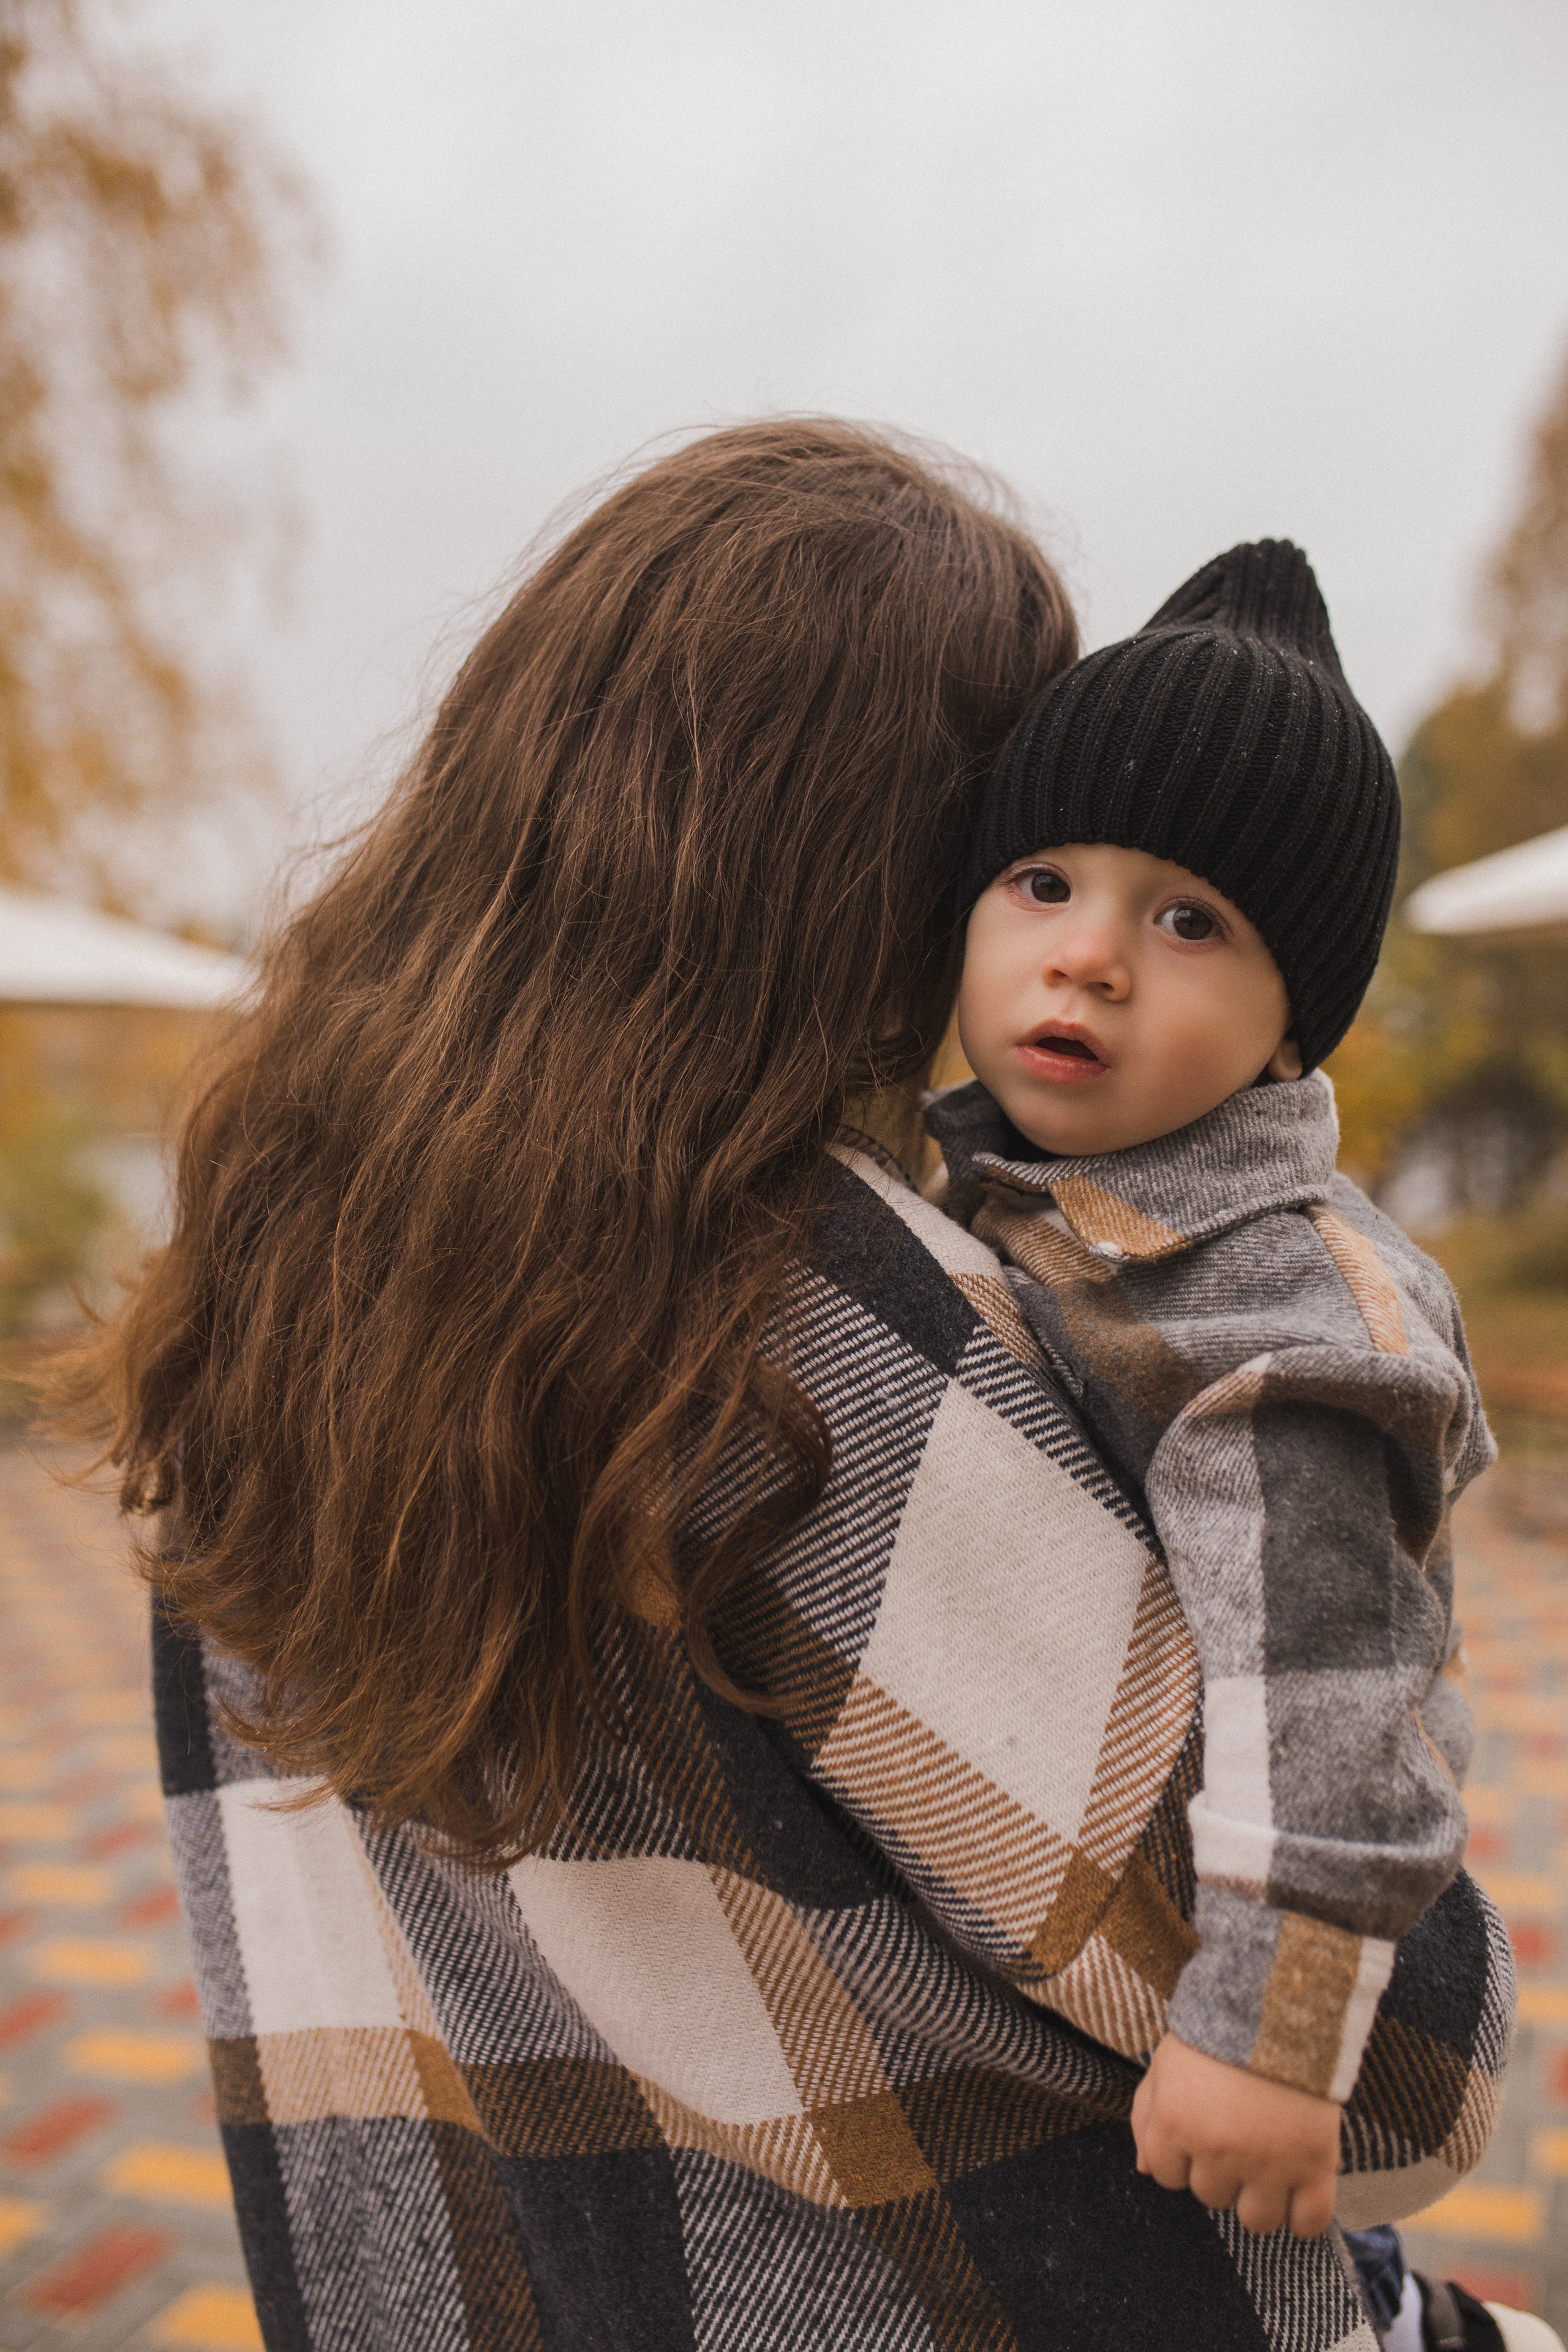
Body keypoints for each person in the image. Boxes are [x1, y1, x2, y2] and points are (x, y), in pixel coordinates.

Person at [61, 435, 1512, 2351]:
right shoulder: (792, 1327)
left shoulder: (258, 1276)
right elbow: (1405, 2080)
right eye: (1009, 864)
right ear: (878, 875)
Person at [924, 541, 1553, 2352]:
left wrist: (1273, 2039)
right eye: (1043, 882)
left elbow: (1343, 1701)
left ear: (1296, 1027)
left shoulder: (1272, 1322)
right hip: (1068, 1929)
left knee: (1268, 2277)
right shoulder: (1006, 1178)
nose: (1095, 956)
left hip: (1234, 1990)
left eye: (1192, 921)